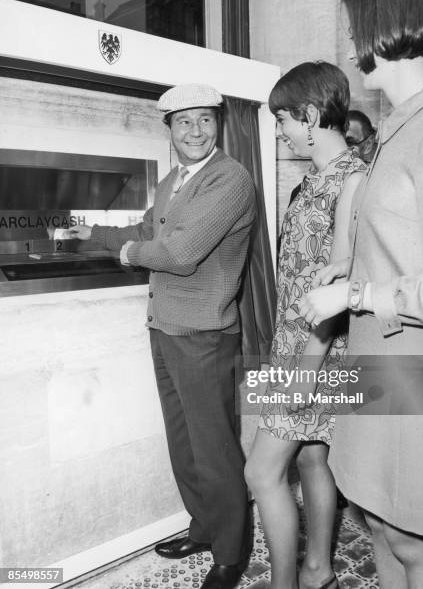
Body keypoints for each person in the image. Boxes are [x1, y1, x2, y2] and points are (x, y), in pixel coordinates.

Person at [300, 0, 423, 587]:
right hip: (380, 364)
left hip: (421, 371)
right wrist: (349, 268)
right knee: (377, 522)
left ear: (391, 27)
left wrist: (355, 295)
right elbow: (403, 243)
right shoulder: (399, 127)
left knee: (413, 538)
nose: (352, 38)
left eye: (359, 25)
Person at [69, 83, 256, 589]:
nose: (195, 131)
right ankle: (204, 527)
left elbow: (178, 252)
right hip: (165, 327)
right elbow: (148, 229)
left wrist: (126, 252)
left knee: (214, 447)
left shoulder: (230, 179)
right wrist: (85, 234)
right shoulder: (173, 180)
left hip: (204, 335)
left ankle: (231, 552)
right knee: (183, 442)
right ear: (168, 129)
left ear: (218, 125)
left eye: (205, 120)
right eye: (184, 121)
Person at [245, 62, 367, 589]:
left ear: (311, 115)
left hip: (313, 356)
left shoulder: (354, 179)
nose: (280, 131)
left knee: (261, 471)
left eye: (283, 120)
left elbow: (335, 295)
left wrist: (303, 372)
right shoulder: (316, 177)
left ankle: (285, 584)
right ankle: (318, 570)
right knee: (314, 459)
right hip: (295, 349)